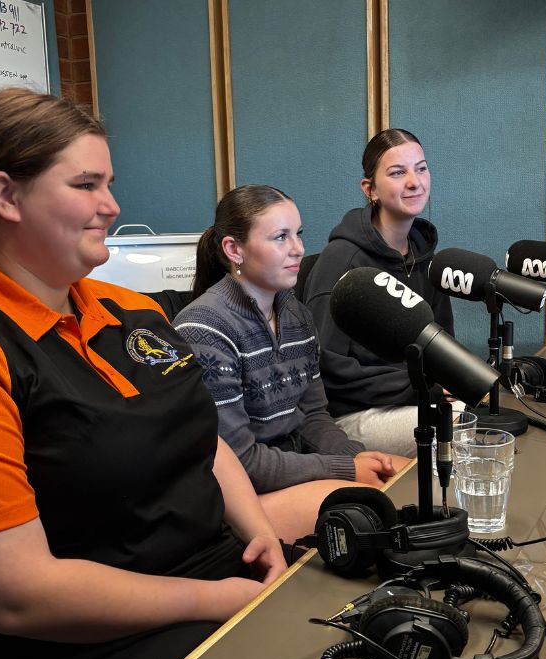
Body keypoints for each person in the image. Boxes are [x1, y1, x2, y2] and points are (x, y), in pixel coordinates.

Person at [0, 88, 287, 659]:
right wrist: (216, 601)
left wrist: (259, 534)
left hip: (211, 580)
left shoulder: (132, 310)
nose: (112, 205)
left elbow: (201, 436)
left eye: (109, 184)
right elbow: (18, 597)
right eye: (86, 184)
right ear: (5, 194)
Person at [173, 185, 410, 542]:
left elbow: (313, 415)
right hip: (235, 500)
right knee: (380, 512)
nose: (298, 249)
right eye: (280, 237)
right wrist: (346, 469)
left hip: (289, 473)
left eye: (298, 234)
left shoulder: (295, 313)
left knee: (406, 481)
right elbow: (241, 463)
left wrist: (359, 457)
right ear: (233, 249)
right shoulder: (205, 329)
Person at [302, 128, 455, 457]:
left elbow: (443, 347)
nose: (414, 182)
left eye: (421, 168)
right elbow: (325, 368)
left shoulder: (426, 257)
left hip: (416, 399)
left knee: (493, 416)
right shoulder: (342, 261)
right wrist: (422, 388)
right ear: (369, 189)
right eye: (398, 173)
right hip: (348, 416)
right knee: (458, 429)